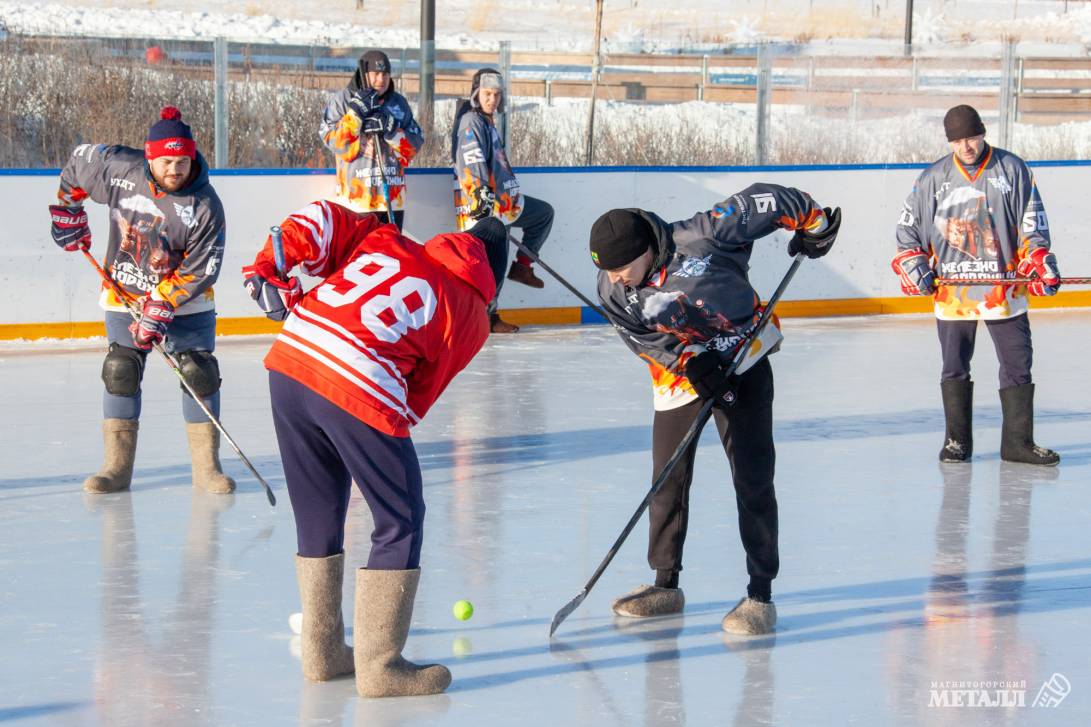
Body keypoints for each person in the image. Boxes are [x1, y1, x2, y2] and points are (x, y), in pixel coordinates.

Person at [241, 200, 507, 697]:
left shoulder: (389, 241)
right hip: (357, 379)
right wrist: (372, 432)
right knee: (399, 517)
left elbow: (322, 216)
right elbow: (419, 393)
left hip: (292, 358)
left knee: (318, 510)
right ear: (495, 279)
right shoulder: (472, 310)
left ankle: (322, 655)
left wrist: (269, 266)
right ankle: (381, 666)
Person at [589, 187, 840, 635]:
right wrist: (688, 360)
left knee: (752, 477)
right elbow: (639, 336)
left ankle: (759, 594)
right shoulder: (611, 288)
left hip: (743, 357)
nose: (616, 279)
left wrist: (813, 225)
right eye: (607, 271)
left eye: (622, 267)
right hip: (681, 375)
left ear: (647, 250)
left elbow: (769, 200)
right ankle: (665, 585)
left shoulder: (703, 236)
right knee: (666, 478)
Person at [49, 106, 233, 495]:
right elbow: (78, 163)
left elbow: (203, 270)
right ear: (150, 157)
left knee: (198, 371)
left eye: (182, 161)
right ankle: (116, 469)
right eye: (166, 161)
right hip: (124, 291)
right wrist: (68, 210)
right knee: (121, 370)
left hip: (187, 303)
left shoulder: (205, 205)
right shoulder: (119, 168)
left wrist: (161, 304)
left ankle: (207, 470)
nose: (175, 169)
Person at [893, 104, 1061, 466]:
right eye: (957, 140)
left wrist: (1038, 259)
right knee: (954, 365)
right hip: (954, 294)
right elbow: (908, 233)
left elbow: (1033, 227)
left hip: (1004, 290)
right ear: (949, 141)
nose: (966, 146)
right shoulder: (932, 178)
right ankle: (957, 442)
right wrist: (914, 262)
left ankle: (1017, 443)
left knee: (1018, 364)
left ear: (982, 133)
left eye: (971, 137)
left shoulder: (1013, 169)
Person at [451, 67, 555, 333]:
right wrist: (482, 198)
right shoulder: (471, 122)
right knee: (491, 266)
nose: (492, 99)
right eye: (487, 93)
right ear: (476, 93)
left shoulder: (487, 120)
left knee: (543, 214)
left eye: (497, 94)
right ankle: (486, 317)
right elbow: (471, 161)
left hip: (507, 204)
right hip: (487, 207)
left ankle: (522, 266)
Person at [320, 50, 423, 231]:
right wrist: (355, 116)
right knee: (359, 256)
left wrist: (391, 130)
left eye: (385, 74)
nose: (380, 79)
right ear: (364, 74)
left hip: (392, 199)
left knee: (391, 256)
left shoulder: (398, 103)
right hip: (356, 200)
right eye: (375, 74)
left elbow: (414, 146)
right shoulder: (343, 100)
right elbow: (333, 141)